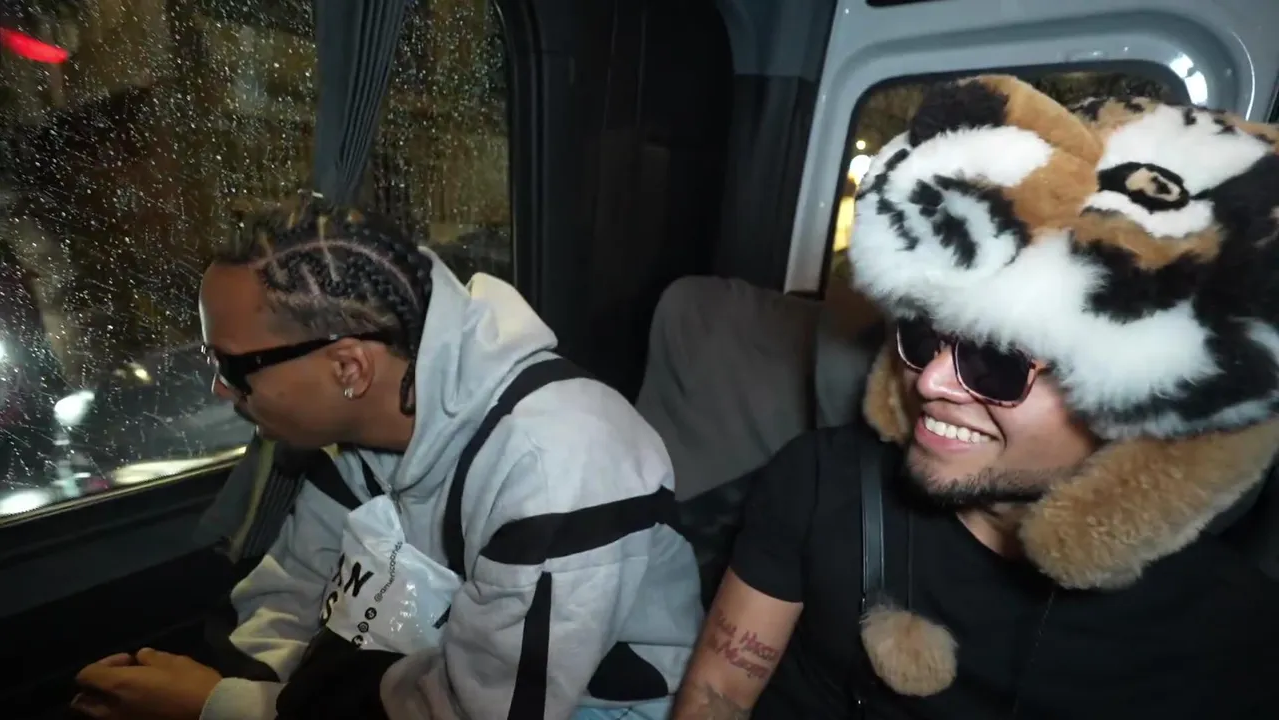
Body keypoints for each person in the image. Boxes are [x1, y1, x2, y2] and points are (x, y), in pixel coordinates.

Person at [672, 75, 1279, 719]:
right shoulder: (822, 482)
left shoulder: (1233, 639)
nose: (929, 382)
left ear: (1150, 408)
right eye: (922, 336)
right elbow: (719, 694)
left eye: (999, 361)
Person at [71, 195, 702, 720]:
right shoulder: (353, 439)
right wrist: (250, 687)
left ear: (349, 367)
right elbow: (292, 593)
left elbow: (481, 711)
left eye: (233, 366)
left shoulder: (558, 466)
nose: (218, 390)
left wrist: (219, 707)